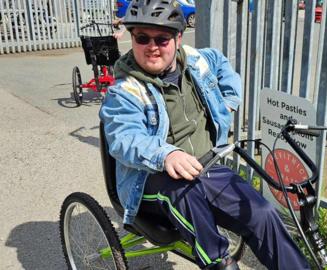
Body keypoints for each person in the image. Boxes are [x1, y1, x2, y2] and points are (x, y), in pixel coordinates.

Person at [99, 0, 310, 269]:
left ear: (177, 38)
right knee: (183, 194)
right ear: (132, 38)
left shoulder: (196, 60)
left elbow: (221, 64)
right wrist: (167, 154)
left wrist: (229, 100)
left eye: (162, 38)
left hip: (205, 165)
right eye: (142, 37)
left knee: (262, 214)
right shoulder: (124, 91)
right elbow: (123, 138)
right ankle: (219, 262)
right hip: (149, 181)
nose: (152, 46)